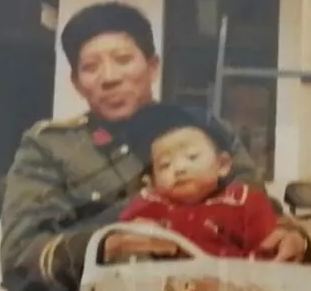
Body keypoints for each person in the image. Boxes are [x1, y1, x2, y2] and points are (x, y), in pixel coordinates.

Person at [0, 1, 311, 291]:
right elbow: (20, 256)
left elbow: (258, 208)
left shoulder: (203, 131)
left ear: (152, 66)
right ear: (76, 83)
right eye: (91, 67)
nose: (109, 77)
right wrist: (104, 245)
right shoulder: (50, 148)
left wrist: (291, 236)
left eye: (123, 59)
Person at [117, 103, 280, 258]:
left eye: (192, 157)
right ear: (152, 182)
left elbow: (268, 251)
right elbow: (120, 237)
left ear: (222, 165)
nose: (179, 169)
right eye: (165, 165)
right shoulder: (148, 206)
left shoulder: (245, 203)